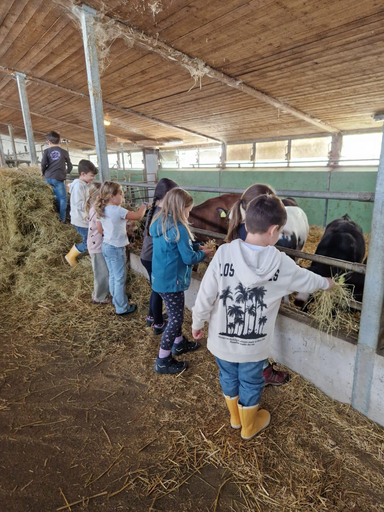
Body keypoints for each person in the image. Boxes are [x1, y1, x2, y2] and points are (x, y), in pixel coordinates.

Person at [192, 195, 334, 440]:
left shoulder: (224, 253)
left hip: (221, 342)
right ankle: (249, 426)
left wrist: (197, 323)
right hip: (253, 347)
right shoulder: (281, 263)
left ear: (246, 224)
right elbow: (308, 279)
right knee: (250, 381)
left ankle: (235, 419)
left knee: (227, 375)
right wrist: (327, 283)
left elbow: (205, 295)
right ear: (273, 230)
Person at [226, 183, 290, 386]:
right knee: (254, 335)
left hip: (235, 299)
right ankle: (263, 372)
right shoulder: (254, 239)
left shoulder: (240, 230)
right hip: (252, 300)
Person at [150, 188, 214, 374]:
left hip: (161, 279)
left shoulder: (160, 222)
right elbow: (188, 259)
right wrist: (204, 253)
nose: (189, 213)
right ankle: (163, 359)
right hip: (172, 282)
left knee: (174, 312)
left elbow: (176, 246)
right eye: (188, 209)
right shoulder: (179, 228)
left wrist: (195, 246)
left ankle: (178, 344)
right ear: (181, 208)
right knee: (176, 319)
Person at [95, 182, 148, 316]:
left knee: (113, 275)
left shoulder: (102, 209)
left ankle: (117, 300)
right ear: (112, 197)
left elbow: (100, 229)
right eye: (120, 194)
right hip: (116, 248)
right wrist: (145, 205)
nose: (122, 197)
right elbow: (138, 216)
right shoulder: (117, 210)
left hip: (106, 246)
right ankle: (121, 308)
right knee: (119, 278)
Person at [140, 178, 178, 334]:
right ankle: (158, 325)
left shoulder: (155, 209)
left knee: (156, 289)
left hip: (147, 256)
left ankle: (151, 317)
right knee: (157, 290)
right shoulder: (162, 214)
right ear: (168, 194)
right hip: (151, 257)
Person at [65, 160, 97, 267]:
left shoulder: (85, 184)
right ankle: (70, 256)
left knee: (90, 239)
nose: (93, 178)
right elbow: (78, 204)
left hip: (84, 218)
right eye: (91, 176)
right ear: (83, 174)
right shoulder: (79, 186)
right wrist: (93, 206)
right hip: (80, 220)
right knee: (89, 242)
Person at [85, 183, 110, 304]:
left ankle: (98, 293)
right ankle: (99, 298)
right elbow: (101, 229)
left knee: (101, 271)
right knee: (101, 273)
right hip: (96, 246)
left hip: (95, 244)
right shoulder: (97, 211)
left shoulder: (93, 208)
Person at [41, 131, 72, 222]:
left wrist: (42, 172)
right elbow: (70, 166)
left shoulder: (46, 151)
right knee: (63, 199)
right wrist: (66, 173)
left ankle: (55, 215)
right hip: (58, 178)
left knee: (56, 196)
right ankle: (61, 219)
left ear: (49, 142)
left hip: (48, 178)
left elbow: (43, 164)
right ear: (60, 142)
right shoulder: (64, 152)